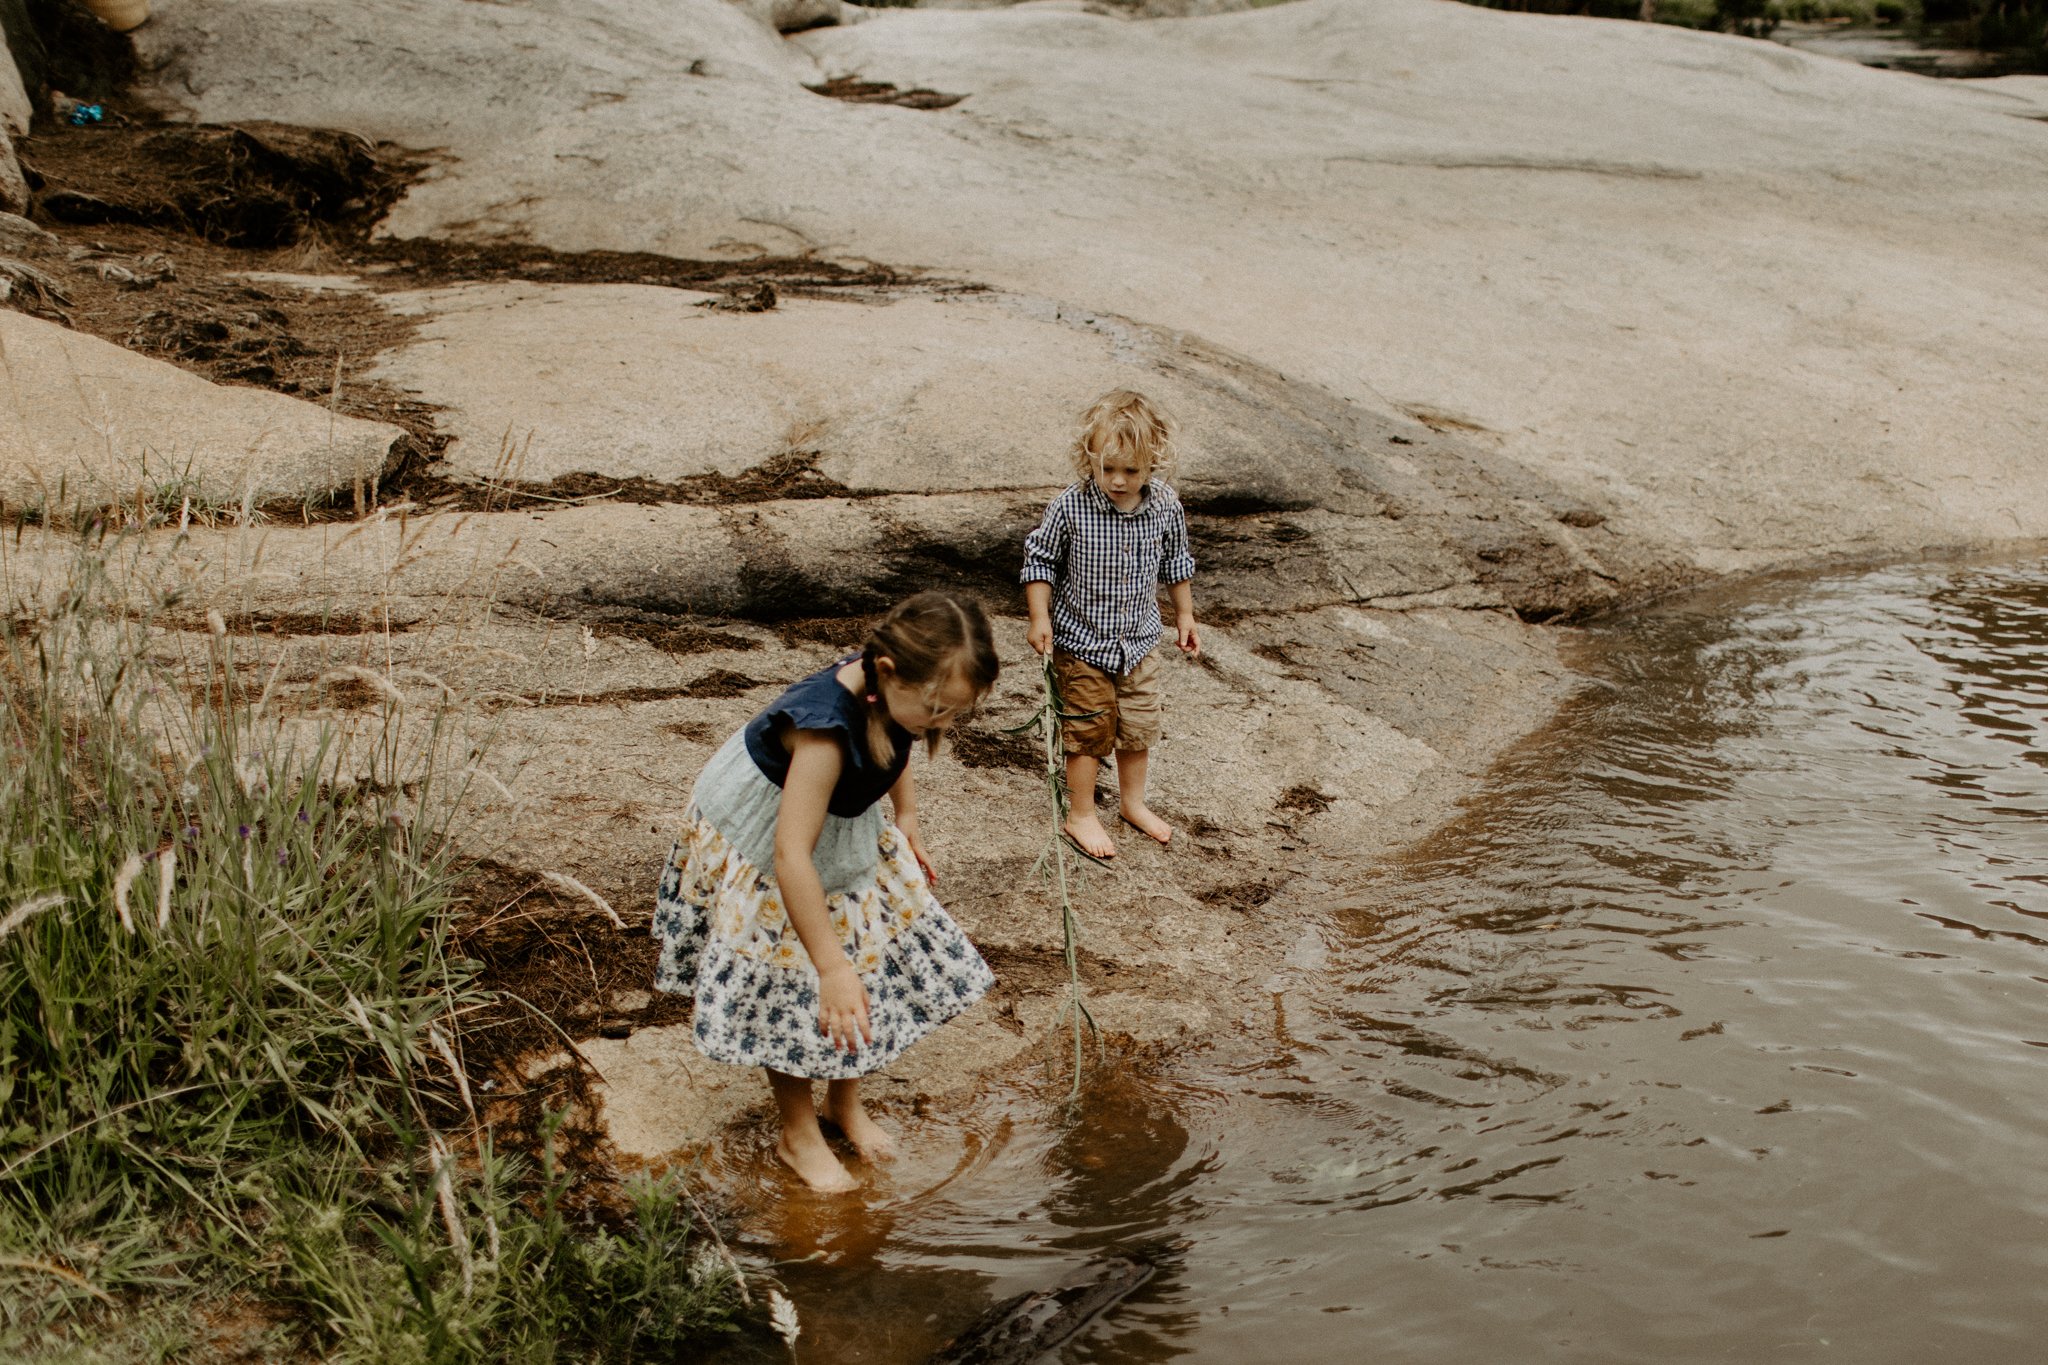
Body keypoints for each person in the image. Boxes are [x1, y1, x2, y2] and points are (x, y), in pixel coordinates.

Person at [652, 591, 1001, 1192]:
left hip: (833, 824)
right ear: (887, 671)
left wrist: (907, 816)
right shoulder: (823, 733)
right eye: (936, 709)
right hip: (774, 841)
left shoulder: (891, 691)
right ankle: (798, 1134)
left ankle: (844, 1104)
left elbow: (897, 742)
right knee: (795, 980)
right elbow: (791, 856)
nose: (941, 724)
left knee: (862, 952)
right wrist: (830, 967)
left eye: (952, 713)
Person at [1021, 389, 1200, 860]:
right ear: (1090, 458)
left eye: (1131, 470)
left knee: (1138, 725)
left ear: (1153, 463)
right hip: (1082, 643)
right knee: (1088, 729)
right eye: (1107, 468)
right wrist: (1039, 617)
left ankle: (1132, 803)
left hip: (1139, 642)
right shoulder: (1070, 506)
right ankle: (1080, 812)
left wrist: (1184, 615)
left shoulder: (1166, 506)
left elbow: (1176, 563)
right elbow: (1040, 561)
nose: (1118, 481)